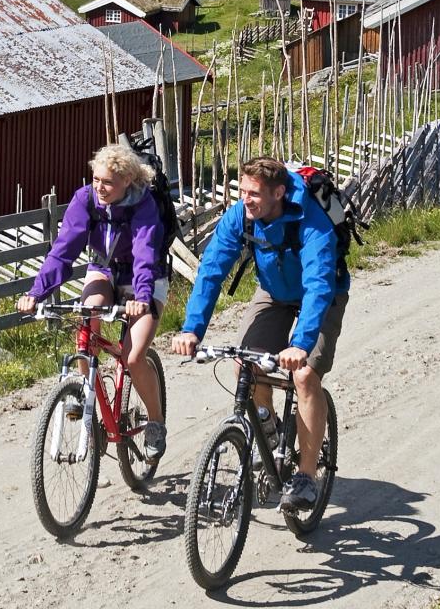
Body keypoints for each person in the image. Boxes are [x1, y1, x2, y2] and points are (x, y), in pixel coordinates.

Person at [170, 156, 347, 513]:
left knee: (305, 374)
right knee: (244, 367)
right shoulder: (240, 216)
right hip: (274, 292)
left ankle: (307, 477)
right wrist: (192, 328)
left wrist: (301, 344)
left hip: (324, 296)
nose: (245, 199)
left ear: (279, 192)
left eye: (253, 193)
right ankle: (270, 432)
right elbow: (211, 271)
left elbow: (318, 284)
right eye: (242, 191)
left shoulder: (311, 222)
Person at [17, 142, 170, 458]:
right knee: (87, 315)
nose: (100, 187)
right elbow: (63, 250)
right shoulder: (85, 200)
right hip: (104, 267)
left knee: (133, 356)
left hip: (145, 278)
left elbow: (145, 254)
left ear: (127, 181)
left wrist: (141, 297)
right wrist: (36, 293)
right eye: (96, 179)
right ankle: (85, 390)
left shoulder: (144, 205)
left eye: (108, 183)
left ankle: (155, 423)